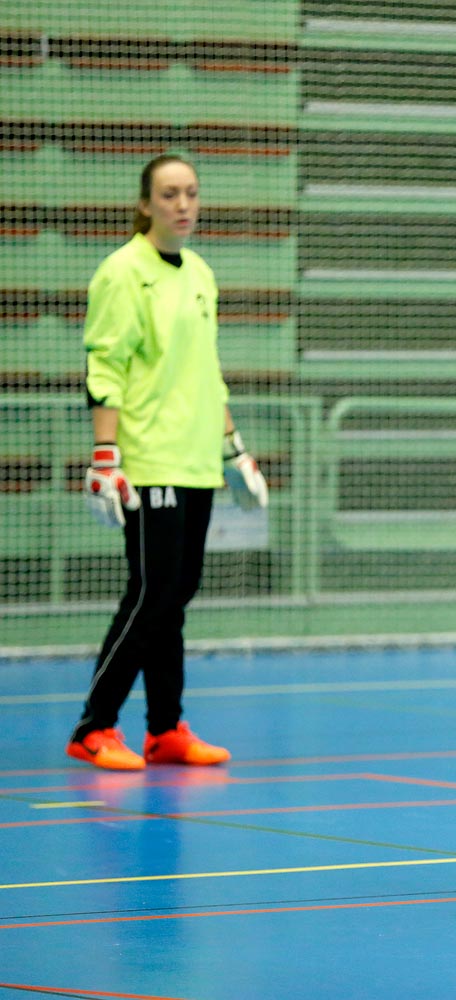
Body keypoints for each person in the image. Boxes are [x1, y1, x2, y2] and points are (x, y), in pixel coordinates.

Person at [66, 154, 269, 772]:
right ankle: (94, 726)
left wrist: (234, 448)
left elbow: (206, 371)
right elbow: (106, 365)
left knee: (177, 594)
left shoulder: (201, 274)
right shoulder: (123, 272)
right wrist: (106, 456)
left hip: (197, 459)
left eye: (191, 193)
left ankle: (164, 729)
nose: (183, 205)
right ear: (146, 203)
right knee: (152, 593)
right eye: (169, 194)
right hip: (147, 459)